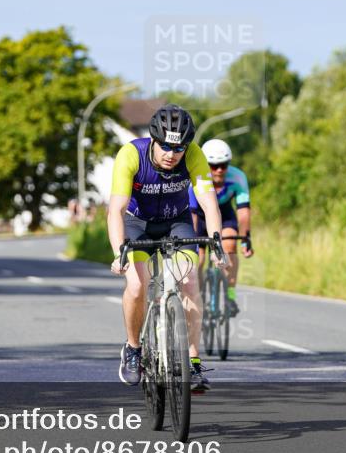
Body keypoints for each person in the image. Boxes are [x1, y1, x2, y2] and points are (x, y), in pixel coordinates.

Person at [107, 104, 228, 392]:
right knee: (137, 285)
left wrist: (216, 243)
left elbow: (209, 202)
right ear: (153, 139)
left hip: (177, 221)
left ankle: (193, 361)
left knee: (189, 282)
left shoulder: (194, 155)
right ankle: (134, 349)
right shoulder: (131, 154)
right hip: (137, 223)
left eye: (179, 149)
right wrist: (117, 252)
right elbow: (116, 210)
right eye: (165, 147)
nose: (171, 155)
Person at [189, 139, 254, 316]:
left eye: (223, 165)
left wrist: (246, 240)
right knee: (199, 260)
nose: (219, 170)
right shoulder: (198, 177)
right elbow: (193, 215)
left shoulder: (237, 177)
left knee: (230, 247)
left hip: (225, 215)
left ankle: (230, 296)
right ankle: (199, 298)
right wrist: (193, 245)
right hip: (199, 217)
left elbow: (243, 212)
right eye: (214, 165)